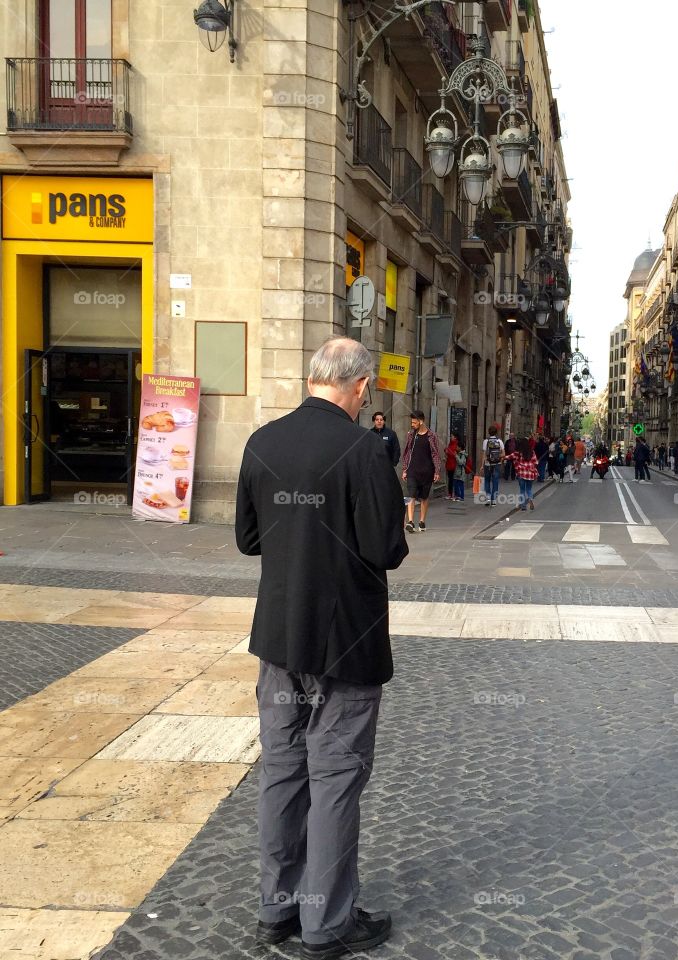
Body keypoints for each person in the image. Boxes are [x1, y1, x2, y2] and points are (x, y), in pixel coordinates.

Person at [235, 337, 406, 958]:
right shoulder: (363, 450)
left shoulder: (262, 442)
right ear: (359, 387)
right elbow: (386, 548)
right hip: (346, 644)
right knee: (334, 777)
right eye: (368, 393)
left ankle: (275, 909)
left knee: (282, 770)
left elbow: (248, 539)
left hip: (280, 638)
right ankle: (327, 924)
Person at [401, 410, 441, 533]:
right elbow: (407, 452)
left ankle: (422, 521)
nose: (412, 424)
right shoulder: (411, 434)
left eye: (414, 422)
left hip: (427, 471)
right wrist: (404, 469)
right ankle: (410, 522)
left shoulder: (431, 436)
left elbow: (435, 454)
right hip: (412, 470)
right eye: (411, 422)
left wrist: (437, 471)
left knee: (424, 497)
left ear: (421, 421)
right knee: (411, 495)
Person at [506, 437, 539, 510]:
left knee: (522, 490)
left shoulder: (518, 453)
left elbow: (509, 457)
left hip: (521, 473)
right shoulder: (532, 452)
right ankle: (530, 499)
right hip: (530, 474)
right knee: (529, 489)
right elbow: (536, 462)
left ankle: (523, 506)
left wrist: (502, 457)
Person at [482, 426, 504, 506]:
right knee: (495, 481)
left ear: (489, 432)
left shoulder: (486, 441)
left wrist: (482, 465)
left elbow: (484, 455)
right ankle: (493, 500)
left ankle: (488, 498)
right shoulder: (499, 441)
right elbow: (503, 454)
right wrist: (500, 460)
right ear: (496, 432)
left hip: (488, 464)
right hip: (497, 464)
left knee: (487, 480)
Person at [444, 435, 459, 500]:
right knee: (450, 479)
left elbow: (455, 454)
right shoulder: (450, 444)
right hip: (449, 464)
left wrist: (448, 452)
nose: (451, 437)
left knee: (453, 480)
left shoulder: (457, 444)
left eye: (452, 436)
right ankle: (450, 494)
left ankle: (455, 494)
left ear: (455, 437)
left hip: (454, 464)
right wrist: (446, 451)